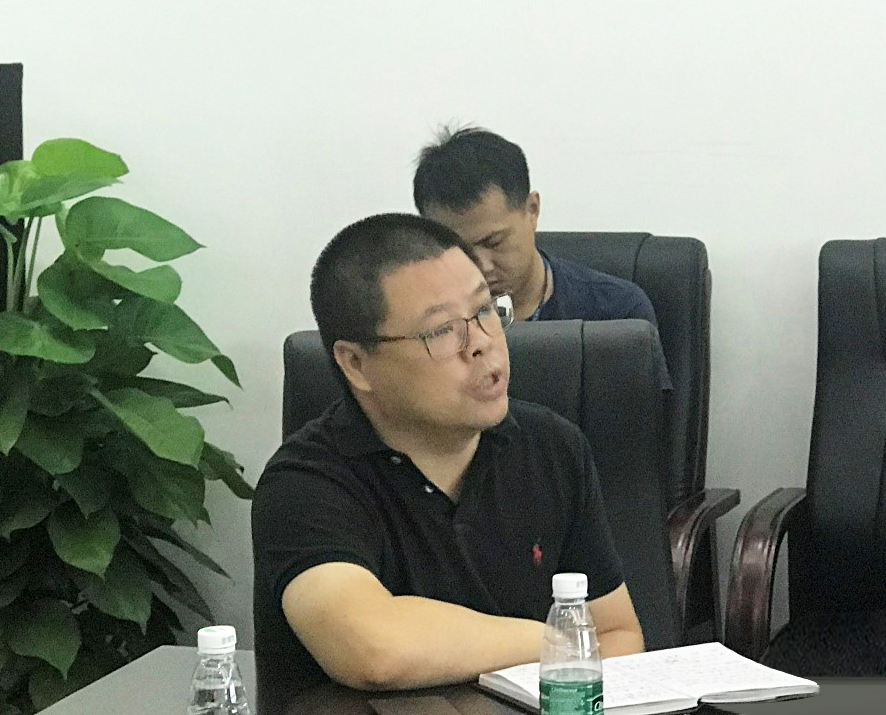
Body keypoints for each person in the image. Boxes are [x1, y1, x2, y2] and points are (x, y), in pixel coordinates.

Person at [252, 213, 644, 712]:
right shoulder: (304, 484)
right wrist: (561, 642)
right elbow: (374, 648)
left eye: (485, 309)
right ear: (356, 363)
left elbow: (618, 636)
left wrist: (575, 647)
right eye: (441, 331)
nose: (481, 342)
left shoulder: (552, 446)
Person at [413, 126, 672, 389]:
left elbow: (642, 413)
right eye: (461, 251)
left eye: (494, 242)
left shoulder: (617, 312)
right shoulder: (417, 323)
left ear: (532, 210)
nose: (481, 266)